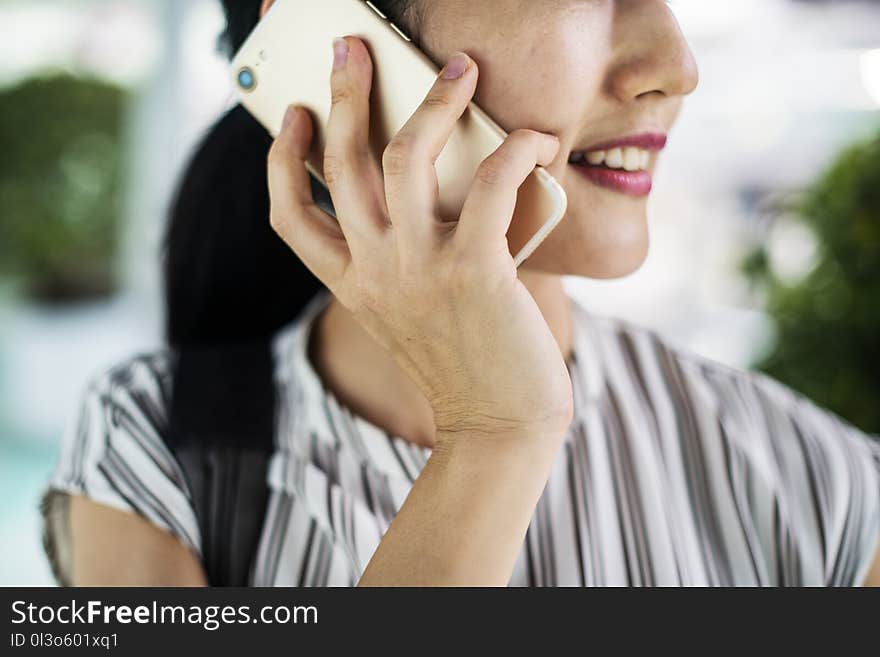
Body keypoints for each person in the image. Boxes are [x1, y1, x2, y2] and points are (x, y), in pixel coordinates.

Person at [40, 0, 880, 586]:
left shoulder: (832, 489)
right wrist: (493, 435)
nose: (677, 66)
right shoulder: (145, 453)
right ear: (331, 37)